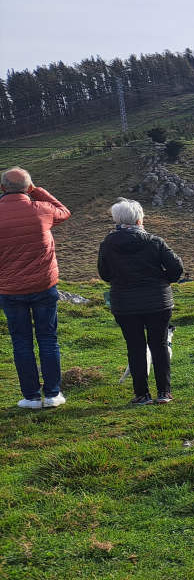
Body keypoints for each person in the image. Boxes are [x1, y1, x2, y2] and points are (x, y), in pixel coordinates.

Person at [98, 197, 184, 405]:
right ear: (139, 220)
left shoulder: (108, 244)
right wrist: (164, 280)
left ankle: (141, 395)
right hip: (158, 301)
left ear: (117, 220)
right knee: (160, 344)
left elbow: (104, 274)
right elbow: (176, 268)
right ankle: (164, 392)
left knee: (135, 347)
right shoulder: (155, 242)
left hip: (125, 304)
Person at [0, 167, 70, 410]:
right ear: (28, 188)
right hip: (43, 286)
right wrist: (38, 191)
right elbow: (64, 212)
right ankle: (52, 394)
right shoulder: (41, 209)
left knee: (21, 342)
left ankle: (30, 397)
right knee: (48, 339)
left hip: (9, 289)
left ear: (2, 188)